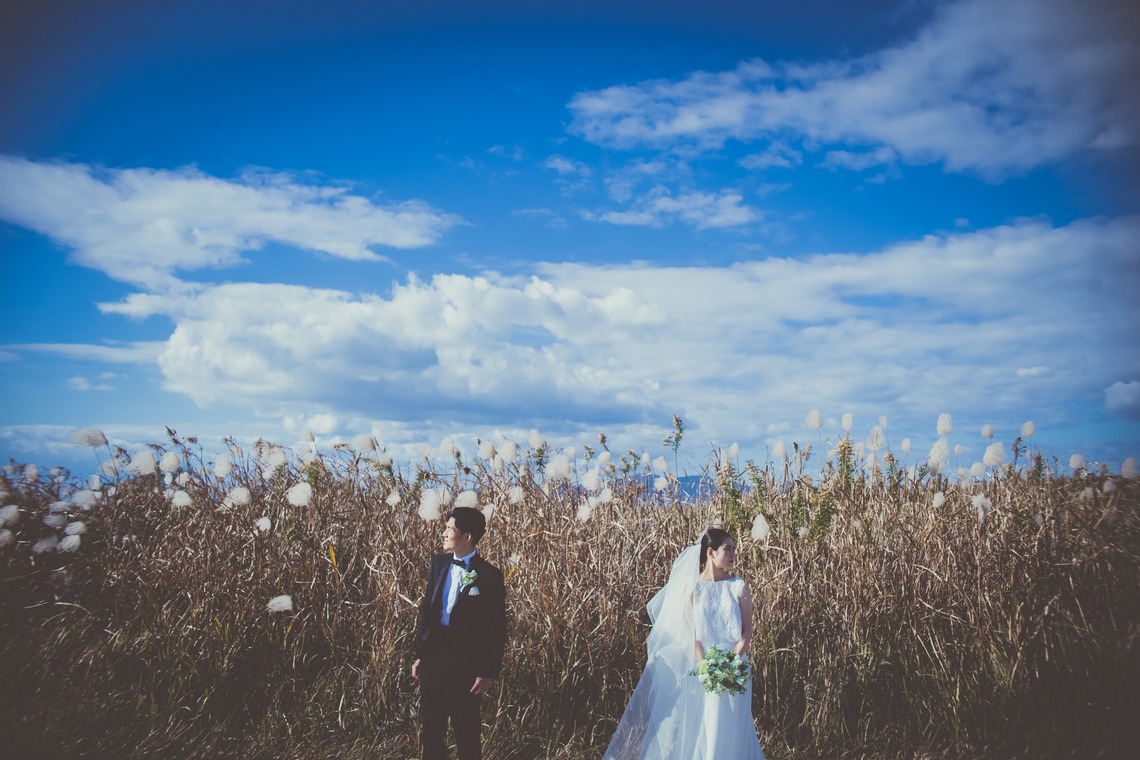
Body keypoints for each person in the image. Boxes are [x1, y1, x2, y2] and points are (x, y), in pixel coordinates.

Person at [602, 528, 765, 759]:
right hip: (706, 667)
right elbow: (694, 637)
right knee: (708, 725)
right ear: (711, 552)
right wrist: (706, 667)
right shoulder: (693, 588)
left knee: (736, 725)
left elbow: (747, 632)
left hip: (736, 665)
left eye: (734, 549)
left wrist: (732, 662)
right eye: (727, 549)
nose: (733, 554)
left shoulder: (739, 586)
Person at [412, 506, 507, 760]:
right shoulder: (439, 564)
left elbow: (496, 627)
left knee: (467, 734)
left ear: (467, 536)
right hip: (433, 658)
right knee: (431, 733)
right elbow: (428, 611)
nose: (443, 533)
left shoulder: (489, 575)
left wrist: (488, 671)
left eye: (449, 529)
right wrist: (422, 654)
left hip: (466, 664)